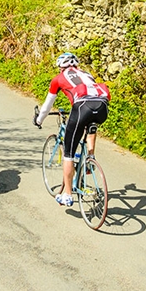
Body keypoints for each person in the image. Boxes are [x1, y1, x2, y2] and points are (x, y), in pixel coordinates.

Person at [34, 52, 110, 207]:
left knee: (68, 154)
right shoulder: (87, 74)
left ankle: (67, 195)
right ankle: (90, 157)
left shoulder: (58, 79)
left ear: (60, 66)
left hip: (82, 108)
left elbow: (47, 106)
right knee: (91, 126)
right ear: (76, 65)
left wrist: (39, 119)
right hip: (102, 107)